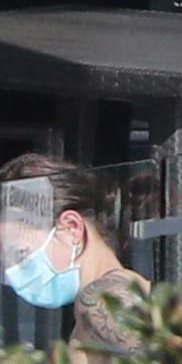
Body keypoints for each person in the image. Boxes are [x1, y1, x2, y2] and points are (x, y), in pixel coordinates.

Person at [1, 153, 151, 364]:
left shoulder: (103, 299)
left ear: (72, 228)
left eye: (21, 253)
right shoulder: (107, 295)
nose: (12, 271)